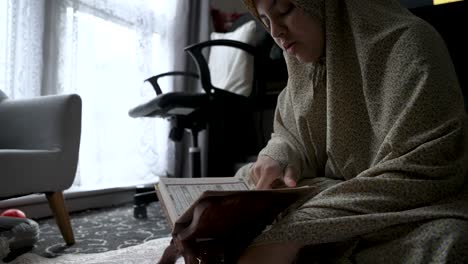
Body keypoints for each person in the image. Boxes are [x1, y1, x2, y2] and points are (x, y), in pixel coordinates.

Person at [232, 0, 468, 263]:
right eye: (266, 23)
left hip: (405, 204)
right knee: (248, 177)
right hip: (338, 193)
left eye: (285, 10)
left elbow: (422, 169)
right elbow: (291, 135)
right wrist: (277, 156)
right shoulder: (305, 64)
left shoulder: (409, 44)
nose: (276, 32)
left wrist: (299, 228)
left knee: (449, 243)